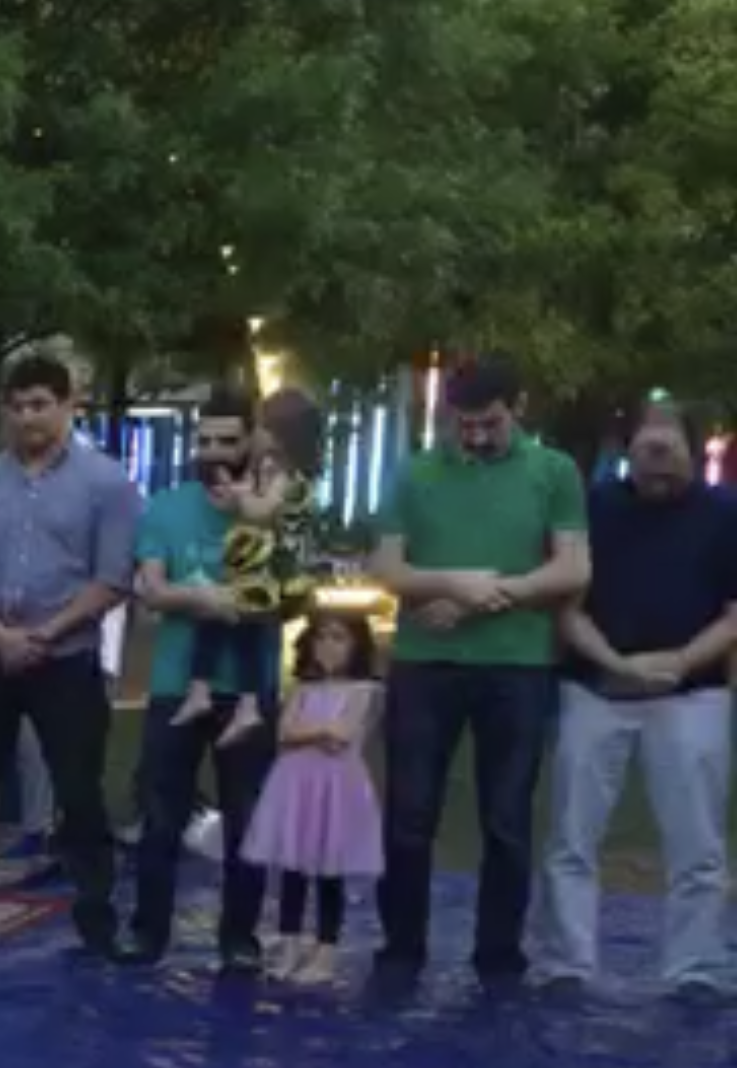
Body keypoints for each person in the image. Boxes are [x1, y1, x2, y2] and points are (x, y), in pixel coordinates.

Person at [368, 354, 586, 984]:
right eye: (463, 424)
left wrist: (495, 595)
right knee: (409, 815)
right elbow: (386, 568)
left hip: (517, 666)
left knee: (508, 819)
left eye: (488, 423)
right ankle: (402, 947)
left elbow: (573, 568)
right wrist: (451, 583)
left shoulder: (555, 471)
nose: (475, 436)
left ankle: (498, 956)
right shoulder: (415, 472)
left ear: (517, 409)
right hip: (423, 665)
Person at [0, 356, 139, 954]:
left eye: (40, 404)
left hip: (66, 657)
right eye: (17, 406)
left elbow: (113, 577)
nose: (28, 418)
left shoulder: (106, 482)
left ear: (70, 404)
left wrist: (45, 634)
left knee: (79, 792)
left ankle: (97, 921)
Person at [534, 399, 733, 994]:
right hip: (594, 689)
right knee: (572, 835)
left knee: (698, 841)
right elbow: (564, 606)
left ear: (693, 451)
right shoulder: (593, 510)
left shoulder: (726, 516)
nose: (657, 465)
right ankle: (566, 962)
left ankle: (696, 966)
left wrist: (676, 662)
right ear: (628, 452)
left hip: (693, 693)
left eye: (669, 451)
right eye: (647, 452)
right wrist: (616, 663)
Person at [117, 391, 279, 969]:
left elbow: (294, 588)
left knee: (247, 821)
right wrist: (205, 597)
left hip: (252, 689)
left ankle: (240, 938)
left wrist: (250, 603)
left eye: (225, 441)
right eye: (203, 441)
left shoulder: (269, 504)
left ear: (251, 441)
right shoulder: (165, 507)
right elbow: (152, 592)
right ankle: (147, 931)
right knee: (161, 814)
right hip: (174, 684)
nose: (211, 453)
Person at [176, 390, 329, 746]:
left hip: (268, 573)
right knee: (225, 626)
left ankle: (241, 703)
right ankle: (210, 693)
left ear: (275, 432)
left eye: (258, 426)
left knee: (236, 630)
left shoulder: (284, 474)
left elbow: (262, 512)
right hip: (256, 566)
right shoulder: (278, 471)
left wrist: (240, 497)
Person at [241, 610, 384, 984]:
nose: (328, 647)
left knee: (328, 870)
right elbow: (282, 734)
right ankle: (289, 943)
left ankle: (326, 951)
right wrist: (315, 732)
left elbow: (342, 736)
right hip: (295, 785)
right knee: (293, 866)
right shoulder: (303, 689)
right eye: (322, 638)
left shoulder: (365, 690)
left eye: (339, 638)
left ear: (357, 646)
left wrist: (309, 731)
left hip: (336, 789)